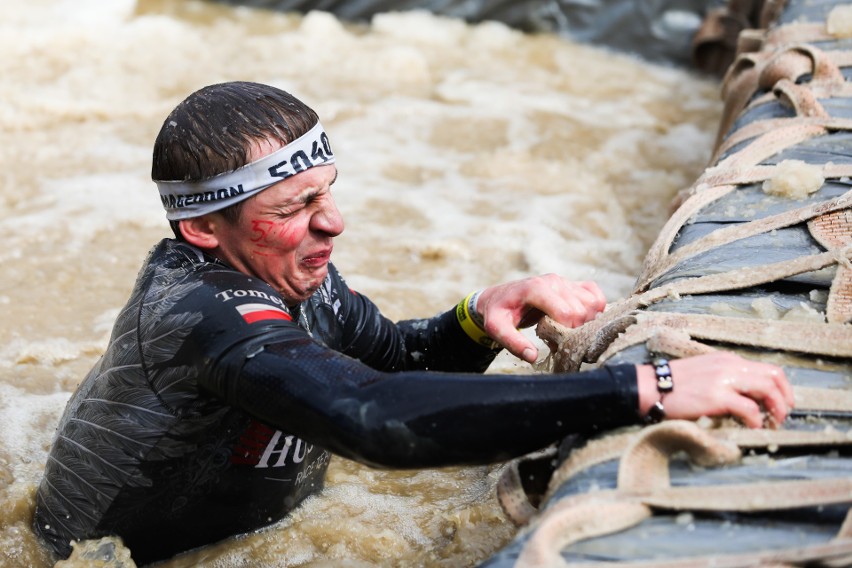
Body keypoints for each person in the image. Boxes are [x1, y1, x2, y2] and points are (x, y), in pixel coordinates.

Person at [33, 81, 794, 565]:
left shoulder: (294, 274)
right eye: (294, 208)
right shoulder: (203, 314)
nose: (333, 222)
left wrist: (476, 317)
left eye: (326, 190)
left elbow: (395, 365)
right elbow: (374, 421)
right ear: (205, 231)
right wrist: (648, 388)